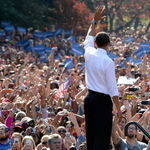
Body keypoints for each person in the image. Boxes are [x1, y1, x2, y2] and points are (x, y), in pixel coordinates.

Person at [83, 5, 122, 150]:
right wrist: (118, 110)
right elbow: (113, 89)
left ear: (95, 43)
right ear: (109, 44)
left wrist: (94, 21)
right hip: (101, 101)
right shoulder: (108, 62)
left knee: (91, 134)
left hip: (89, 98)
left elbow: (89, 34)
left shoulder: (88, 52)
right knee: (102, 136)